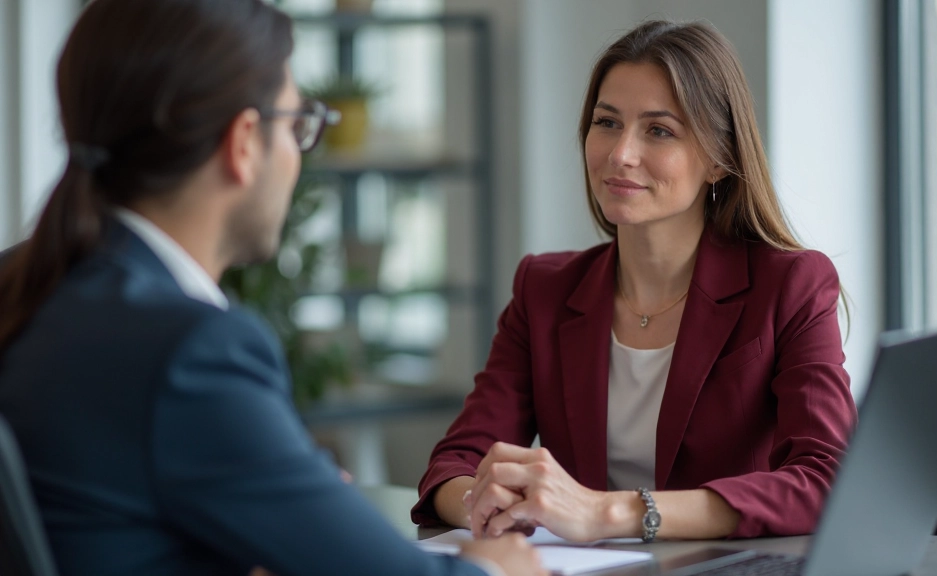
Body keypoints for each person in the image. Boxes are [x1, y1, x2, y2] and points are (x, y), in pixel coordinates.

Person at [0, 1, 546, 575]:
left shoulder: (30, 285)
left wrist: (279, 500)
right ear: (243, 143)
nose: (297, 155)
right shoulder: (190, 351)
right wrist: (498, 567)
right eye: (296, 126)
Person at [413, 20, 858, 542]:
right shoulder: (544, 289)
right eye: (607, 123)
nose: (621, 153)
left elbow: (827, 480)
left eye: (659, 130)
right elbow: (454, 464)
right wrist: (487, 501)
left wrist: (611, 513)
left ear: (719, 159)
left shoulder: (790, 284)